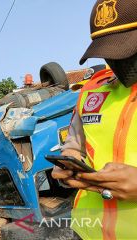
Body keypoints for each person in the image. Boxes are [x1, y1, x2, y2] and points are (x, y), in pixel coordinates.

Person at [52, 0, 137, 239]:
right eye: (109, 53)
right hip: (87, 231)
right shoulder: (92, 91)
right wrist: (68, 163)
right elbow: (74, 145)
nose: (117, 62)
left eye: (127, 49)